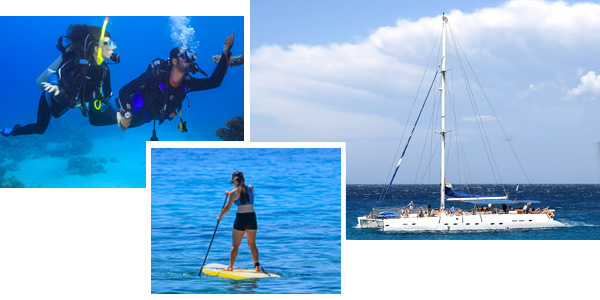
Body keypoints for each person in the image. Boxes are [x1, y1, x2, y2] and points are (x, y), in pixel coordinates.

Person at [1, 21, 120, 137]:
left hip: (67, 102)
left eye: (113, 43)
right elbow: (56, 74)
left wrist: (119, 114)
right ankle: (13, 131)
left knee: (88, 104)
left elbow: (108, 95)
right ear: (96, 47)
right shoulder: (78, 61)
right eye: (109, 43)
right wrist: (54, 84)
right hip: (50, 97)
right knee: (40, 128)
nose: (113, 48)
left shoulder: (104, 70)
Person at [115, 32, 235, 134]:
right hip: (129, 112)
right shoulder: (155, 76)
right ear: (174, 61)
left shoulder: (187, 84)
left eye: (191, 57)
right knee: (97, 121)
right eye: (185, 57)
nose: (190, 61)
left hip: (146, 119)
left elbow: (214, 82)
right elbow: (124, 90)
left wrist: (225, 54)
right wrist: (127, 114)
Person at [216, 171, 260, 272]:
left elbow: (227, 207)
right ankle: (257, 266)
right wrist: (230, 193)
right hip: (252, 218)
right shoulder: (251, 188)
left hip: (241, 218)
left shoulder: (233, 193)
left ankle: (230, 267)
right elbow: (243, 194)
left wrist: (220, 216)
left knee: (235, 245)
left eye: (233, 182)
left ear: (235, 180)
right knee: (252, 244)